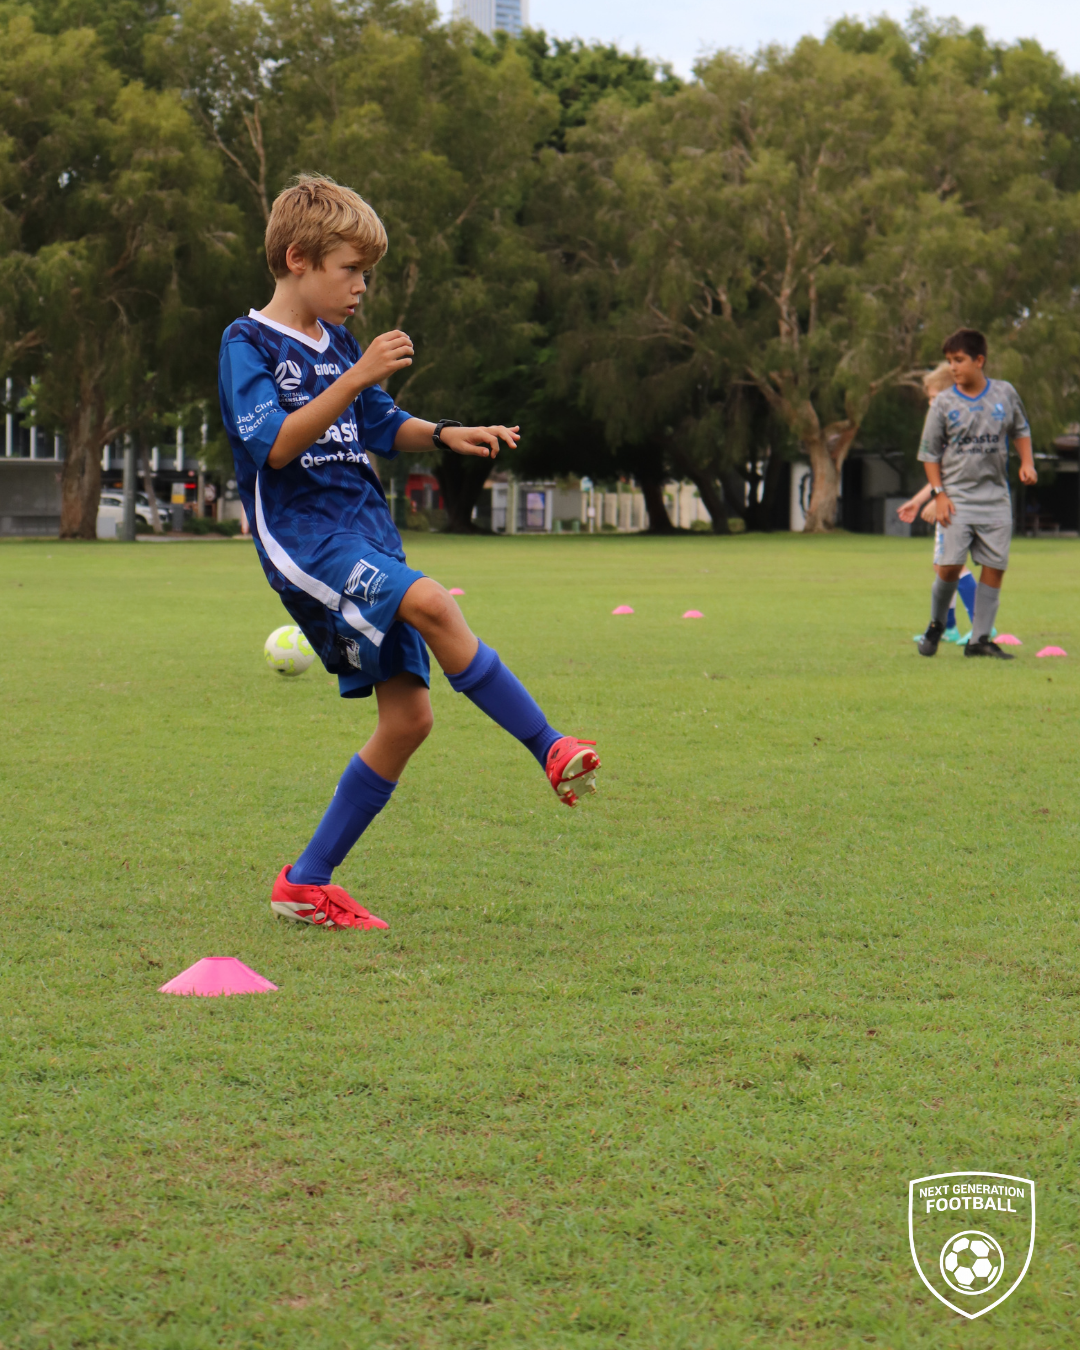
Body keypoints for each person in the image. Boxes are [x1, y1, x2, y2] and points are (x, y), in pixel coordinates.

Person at [218, 175, 600, 930]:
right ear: (298, 258)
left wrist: (444, 432)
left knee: (409, 721)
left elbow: (379, 423)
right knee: (431, 601)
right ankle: (551, 748)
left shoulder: (339, 343)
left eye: (367, 273)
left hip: (365, 529)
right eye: (350, 270)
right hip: (307, 540)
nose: (361, 286)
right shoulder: (247, 344)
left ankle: (306, 880)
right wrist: (357, 377)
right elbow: (277, 444)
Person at [913, 328, 1036, 660]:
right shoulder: (943, 403)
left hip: (996, 498)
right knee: (949, 567)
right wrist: (939, 494)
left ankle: (979, 639)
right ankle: (937, 624)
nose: (953, 367)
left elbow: (1021, 429)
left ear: (979, 360)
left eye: (959, 360)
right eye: (950, 361)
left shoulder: (1005, 394)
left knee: (994, 567)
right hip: (957, 498)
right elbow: (929, 453)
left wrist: (1027, 462)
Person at [897, 364, 978, 642]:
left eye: (933, 397)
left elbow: (958, 473)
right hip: (951, 501)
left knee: (952, 565)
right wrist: (919, 501)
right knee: (942, 566)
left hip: (955, 505)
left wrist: (938, 499)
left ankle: (981, 627)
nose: (930, 403)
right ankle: (949, 627)